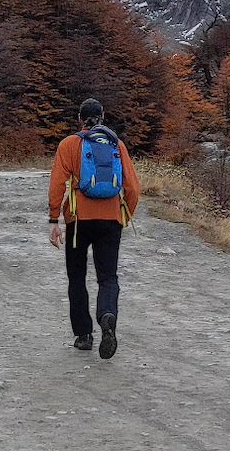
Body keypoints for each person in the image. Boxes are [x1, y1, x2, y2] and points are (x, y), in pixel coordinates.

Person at [48, 98, 140, 360]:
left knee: (77, 276)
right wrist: (123, 215)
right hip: (110, 219)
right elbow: (133, 188)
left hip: (78, 220)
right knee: (107, 277)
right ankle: (106, 315)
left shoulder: (69, 144)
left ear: (80, 118)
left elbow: (57, 184)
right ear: (102, 117)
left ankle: (84, 335)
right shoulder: (116, 144)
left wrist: (54, 219)